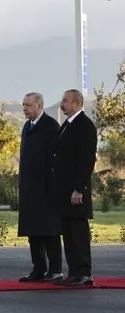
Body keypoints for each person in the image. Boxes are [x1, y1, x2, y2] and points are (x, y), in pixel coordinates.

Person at [49, 89, 98, 286]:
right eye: (62, 100)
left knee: (78, 232)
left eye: (66, 101)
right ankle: (74, 272)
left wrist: (79, 188)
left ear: (77, 103)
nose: (62, 104)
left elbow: (86, 160)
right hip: (64, 191)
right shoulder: (67, 125)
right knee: (68, 233)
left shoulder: (85, 126)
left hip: (76, 191)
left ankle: (84, 272)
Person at [17, 92, 63, 282]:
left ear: (39, 105)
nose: (25, 109)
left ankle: (55, 270)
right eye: (23, 105)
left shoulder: (50, 126)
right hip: (30, 189)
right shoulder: (27, 126)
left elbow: (56, 159)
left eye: (28, 105)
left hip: (46, 189)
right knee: (33, 231)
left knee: (50, 231)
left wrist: (52, 186)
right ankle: (38, 268)